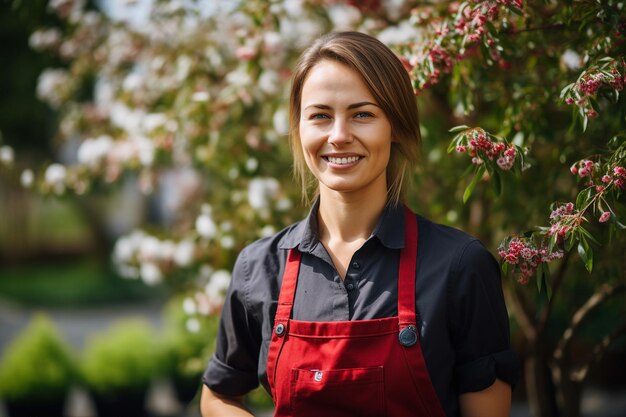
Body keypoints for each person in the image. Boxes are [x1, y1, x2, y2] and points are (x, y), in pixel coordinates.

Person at [200, 31, 519, 417]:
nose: (339, 136)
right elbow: (218, 395)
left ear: (396, 126)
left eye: (362, 114)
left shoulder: (460, 265)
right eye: (320, 116)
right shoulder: (260, 268)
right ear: (299, 130)